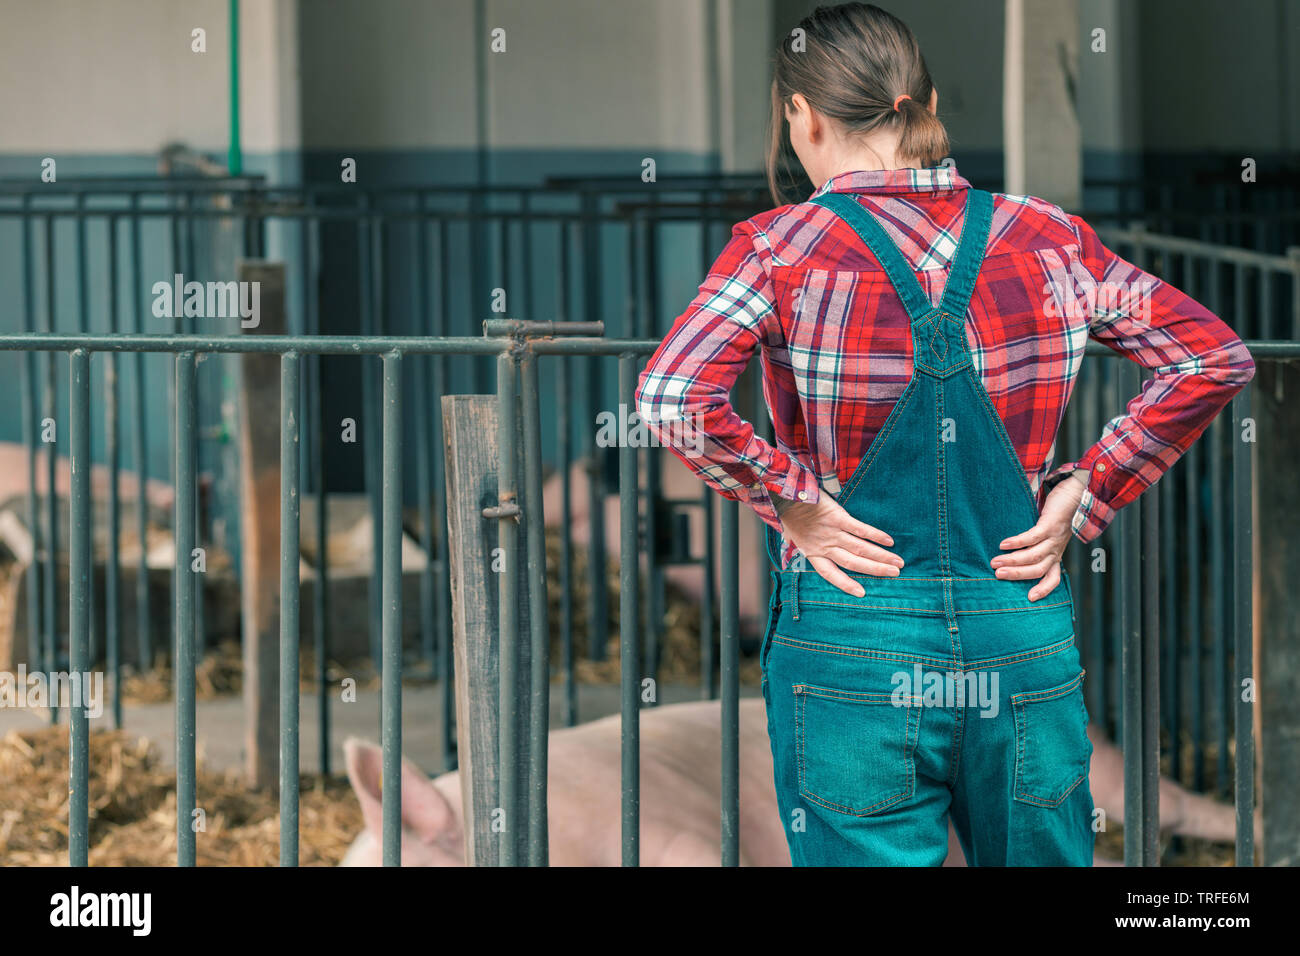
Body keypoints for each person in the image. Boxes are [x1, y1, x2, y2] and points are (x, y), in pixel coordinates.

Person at [634, 2, 1255, 866]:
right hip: (1019, 628)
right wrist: (1091, 489)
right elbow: (1212, 358)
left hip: (853, 639)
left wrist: (793, 504)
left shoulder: (777, 248)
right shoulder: (1049, 238)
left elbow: (672, 397)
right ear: (923, 100)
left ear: (801, 116)